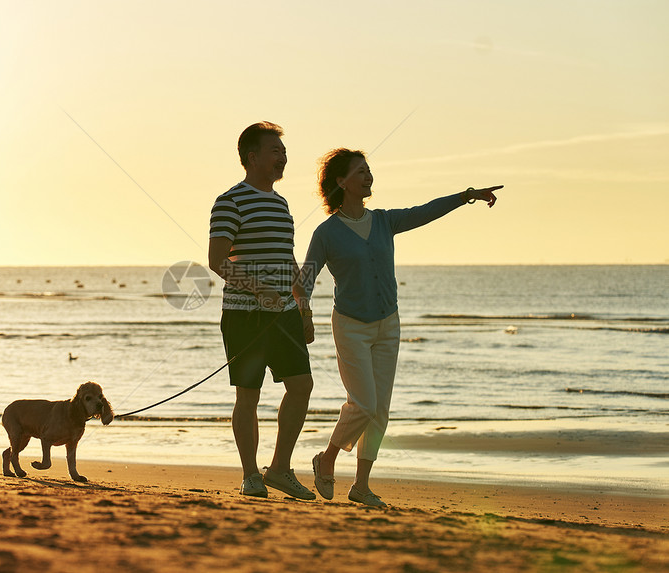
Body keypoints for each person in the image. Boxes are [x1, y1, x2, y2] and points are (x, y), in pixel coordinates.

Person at [300, 148, 501, 507]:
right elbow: (306, 280)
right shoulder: (327, 233)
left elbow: (425, 212)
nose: (368, 176)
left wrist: (465, 196)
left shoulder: (384, 221)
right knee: (362, 404)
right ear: (341, 182)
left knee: (380, 410)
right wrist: (304, 314)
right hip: (350, 326)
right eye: (360, 172)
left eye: (369, 170)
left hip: (388, 324)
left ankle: (361, 485)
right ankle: (327, 458)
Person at [208, 122, 316, 500]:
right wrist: (259, 290)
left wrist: (304, 308)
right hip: (244, 315)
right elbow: (217, 260)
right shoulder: (230, 201)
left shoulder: (282, 203)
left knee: (301, 385)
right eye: (275, 150)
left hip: (284, 313)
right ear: (252, 157)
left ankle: (281, 468)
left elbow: (288, 260)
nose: (282, 157)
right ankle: (251, 475)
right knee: (248, 395)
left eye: (284, 152)